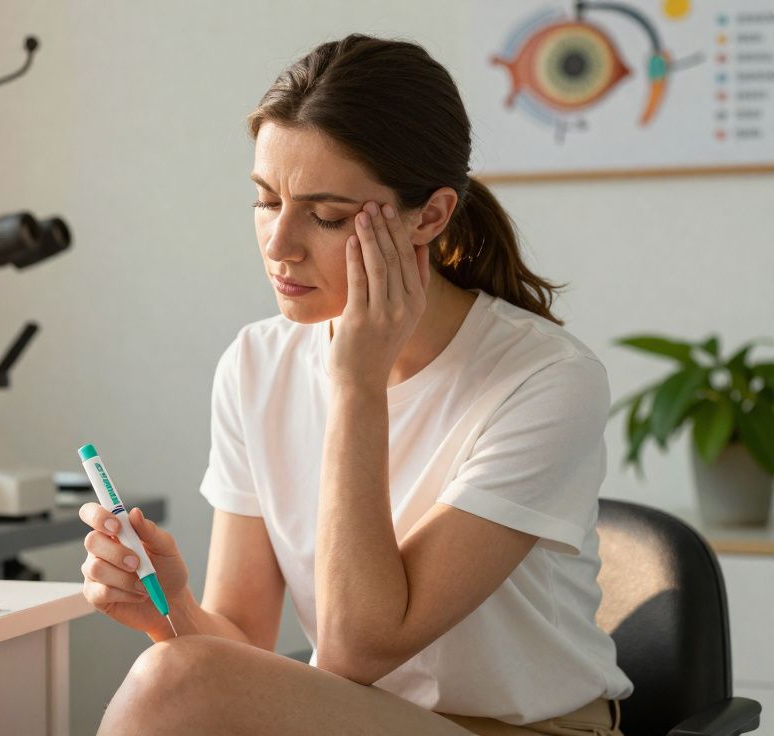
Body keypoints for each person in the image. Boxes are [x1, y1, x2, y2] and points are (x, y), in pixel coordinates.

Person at [78, 34, 633, 735]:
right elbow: (244, 645)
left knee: (174, 682)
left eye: (328, 216)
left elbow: (356, 648)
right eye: (265, 200)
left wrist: (356, 384)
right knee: (177, 672)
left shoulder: (547, 379)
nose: (279, 244)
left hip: (526, 731)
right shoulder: (256, 364)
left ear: (429, 217)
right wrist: (174, 608)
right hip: (355, 718)